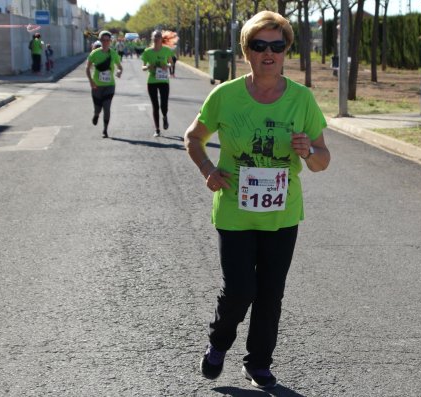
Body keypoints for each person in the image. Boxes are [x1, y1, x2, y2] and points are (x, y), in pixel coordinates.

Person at [184, 10, 330, 390]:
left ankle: (258, 363)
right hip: (234, 209)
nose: (269, 53)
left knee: (270, 291)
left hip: (282, 214)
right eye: (259, 45)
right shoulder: (225, 96)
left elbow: (322, 160)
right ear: (245, 51)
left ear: (287, 52)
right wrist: (208, 170)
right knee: (239, 289)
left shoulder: (302, 99)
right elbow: (192, 137)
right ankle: (218, 343)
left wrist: (308, 152)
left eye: (277, 46)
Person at [86, 31, 123, 138]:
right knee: (98, 108)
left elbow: (120, 67)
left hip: (109, 85)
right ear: (100, 41)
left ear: (110, 41)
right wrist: (91, 81)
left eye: (108, 40)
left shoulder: (113, 53)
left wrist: (119, 72)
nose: (106, 42)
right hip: (96, 86)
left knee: (107, 107)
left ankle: (105, 130)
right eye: (103, 40)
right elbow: (87, 68)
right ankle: (96, 114)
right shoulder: (94, 53)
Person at [141, 30, 178, 137]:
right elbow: (142, 67)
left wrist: (166, 66)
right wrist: (148, 66)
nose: (157, 38)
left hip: (163, 81)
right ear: (152, 39)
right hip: (152, 81)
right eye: (155, 37)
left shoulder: (166, 50)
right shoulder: (147, 52)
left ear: (162, 39)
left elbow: (171, 63)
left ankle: (165, 116)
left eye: (159, 36)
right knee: (155, 106)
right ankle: (157, 129)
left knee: (164, 104)